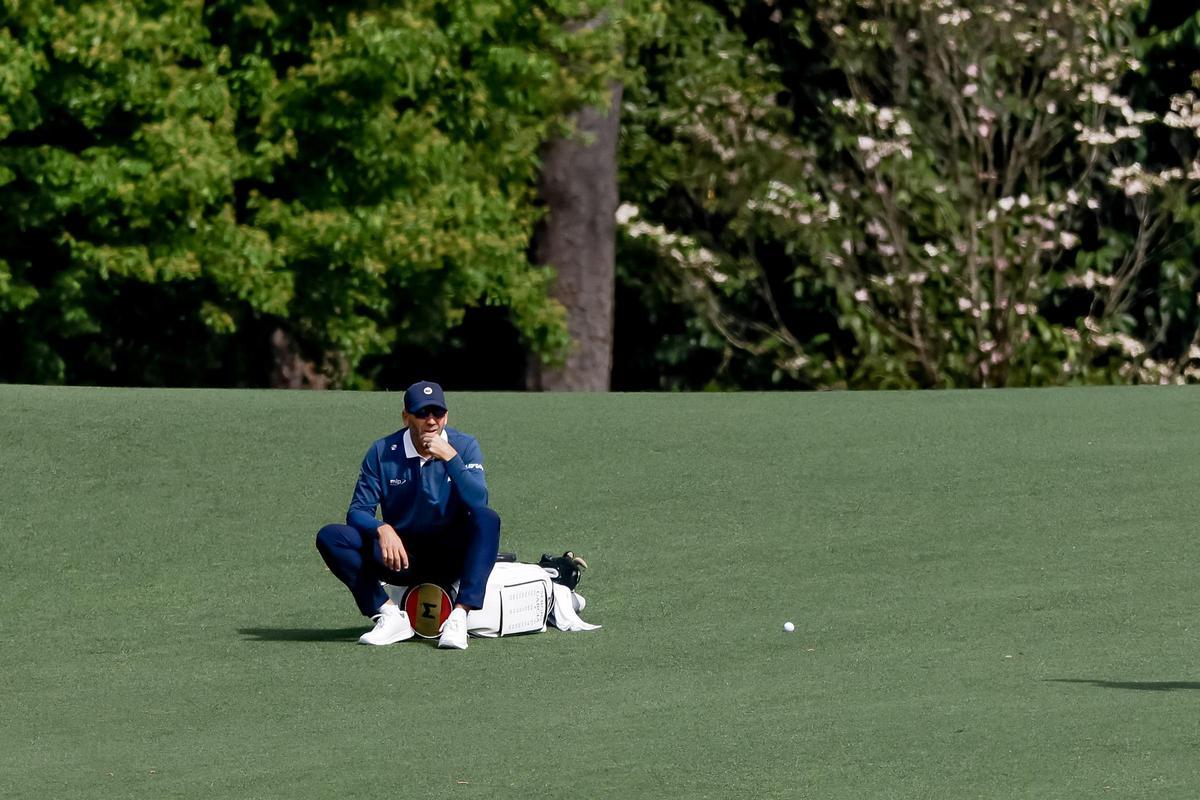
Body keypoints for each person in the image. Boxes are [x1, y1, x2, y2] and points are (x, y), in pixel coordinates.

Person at [315, 380, 501, 649]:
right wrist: (382, 528)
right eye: (422, 413)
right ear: (406, 418)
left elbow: (479, 500)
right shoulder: (382, 452)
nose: (431, 421)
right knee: (332, 537)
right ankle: (389, 615)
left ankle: (459, 616)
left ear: (446, 416)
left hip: (451, 556)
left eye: (437, 413)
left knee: (488, 519)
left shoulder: (464, 446)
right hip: (401, 557)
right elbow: (357, 511)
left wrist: (451, 459)